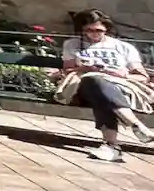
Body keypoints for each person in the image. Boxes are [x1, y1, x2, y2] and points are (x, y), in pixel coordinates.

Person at [57, 10, 154, 163]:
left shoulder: (123, 47)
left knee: (102, 96)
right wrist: (86, 68)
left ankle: (112, 147)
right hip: (83, 88)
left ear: (106, 29)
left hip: (120, 87)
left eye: (98, 30)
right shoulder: (72, 44)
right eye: (88, 30)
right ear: (82, 29)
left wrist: (123, 74)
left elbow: (142, 77)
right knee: (94, 80)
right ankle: (135, 124)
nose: (93, 34)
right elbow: (67, 70)